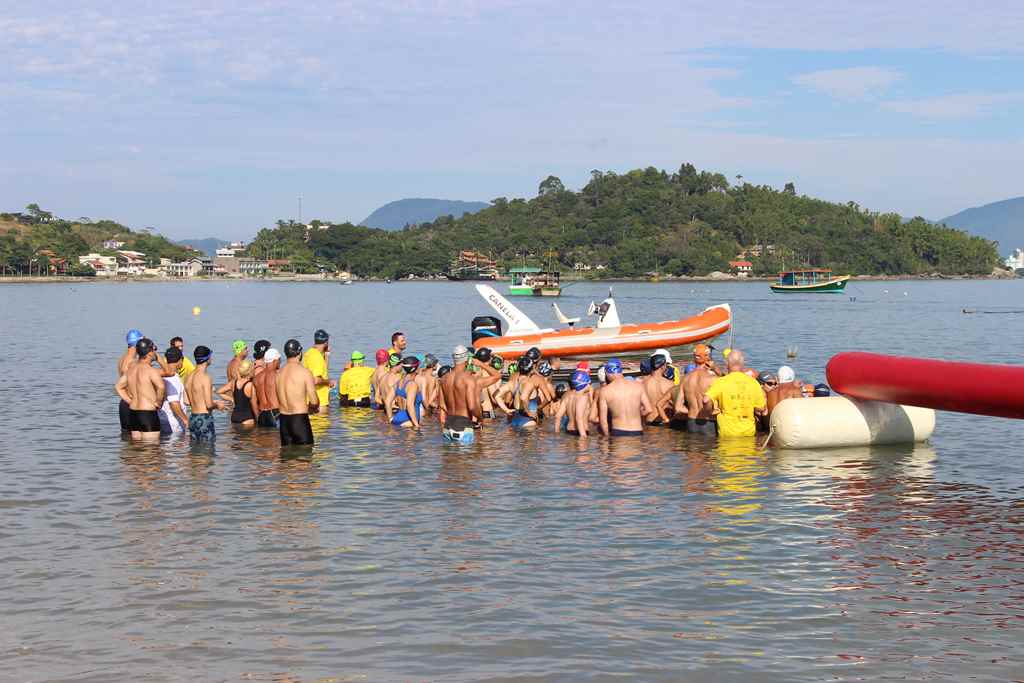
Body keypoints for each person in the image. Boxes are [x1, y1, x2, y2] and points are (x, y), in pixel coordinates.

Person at [438, 345, 501, 443]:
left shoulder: (443, 379)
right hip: (464, 426)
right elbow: (472, 407)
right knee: (468, 457)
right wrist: (480, 419)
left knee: (450, 457)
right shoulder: (469, 380)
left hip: (448, 426)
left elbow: (442, 405)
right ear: (467, 359)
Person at [704, 349, 767, 438]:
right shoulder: (753, 383)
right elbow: (760, 408)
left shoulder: (721, 382)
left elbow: (706, 400)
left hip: (727, 433)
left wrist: (710, 412)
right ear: (743, 364)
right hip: (748, 433)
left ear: (727, 364)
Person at [115, 338, 166, 442]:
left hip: (133, 412)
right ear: (149, 353)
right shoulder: (151, 370)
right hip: (148, 413)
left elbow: (118, 386)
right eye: (153, 350)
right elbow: (161, 386)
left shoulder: (131, 369)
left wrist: (129, 400)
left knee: (136, 450)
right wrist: (158, 402)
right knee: (152, 452)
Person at [276, 339, 318, 446]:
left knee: (287, 459)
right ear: (299, 353)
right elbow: (314, 401)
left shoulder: (279, 374)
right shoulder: (304, 372)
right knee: (305, 457)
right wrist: (312, 409)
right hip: (299, 420)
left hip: (284, 421)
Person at [184, 345, 228, 442]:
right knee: (207, 451)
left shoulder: (188, 377)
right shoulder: (206, 378)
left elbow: (186, 401)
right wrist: (217, 405)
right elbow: (208, 404)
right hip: (204, 419)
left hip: (192, 418)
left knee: (195, 451)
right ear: (207, 358)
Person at [597, 358, 651, 436]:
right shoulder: (638, 386)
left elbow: (603, 421)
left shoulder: (605, 391)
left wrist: (607, 438)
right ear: (621, 370)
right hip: (637, 431)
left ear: (607, 372)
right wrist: (635, 415)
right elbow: (648, 410)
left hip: (618, 431)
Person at [678, 343, 721, 435]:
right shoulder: (712, 378)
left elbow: (678, 408)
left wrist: (693, 412)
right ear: (707, 357)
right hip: (708, 422)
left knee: (694, 447)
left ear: (694, 358)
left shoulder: (685, 378)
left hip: (691, 422)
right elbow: (726, 382)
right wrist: (716, 369)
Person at [158, 347, 190, 435]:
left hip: (162, 418)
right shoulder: (173, 378)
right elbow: (174, 403)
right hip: (173, 423)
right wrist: (185, 419)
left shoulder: (162, 375)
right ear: (180, 360)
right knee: (176, 447)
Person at [117, 329, 144, 433]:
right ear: (137, 342)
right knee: (137, 441)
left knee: (128, 441)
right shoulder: (131, 361)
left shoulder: (122, 358)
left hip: (124, 403)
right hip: (131, 402)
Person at [302, 329, 334, 413]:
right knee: (321, 425)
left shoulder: (308, 353)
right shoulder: (317, 357)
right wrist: (328, 382)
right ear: (326, 343)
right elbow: (316, 380)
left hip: (308, 400)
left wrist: (326, 355)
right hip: (319, 402)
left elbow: (323, 372)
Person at [389, 356, 424, 428]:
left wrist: (390, 418)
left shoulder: (398, 382)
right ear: (415, 369)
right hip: (408, 421)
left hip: (396, 418)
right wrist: (416, 425)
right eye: (418, 366)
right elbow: (409, 405)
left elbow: (387, 401)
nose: (420, 368)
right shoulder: (412, 384)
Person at [643, 354, 677, 425]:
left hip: (648, 421)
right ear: (662, 366)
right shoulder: (669, 384)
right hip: (663, 420)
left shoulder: (643, 383)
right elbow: (676, 405)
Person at [227, 359, 260, 426]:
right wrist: (258, 418)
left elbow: (220, 392)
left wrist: (231, 399)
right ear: (249, 371)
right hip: (247, 418)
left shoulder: (234, 383)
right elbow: (254, 405)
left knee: (237, 436)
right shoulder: (250, 385)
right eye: (253, 369)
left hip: (234, 417)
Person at [254, 348, 281, 427]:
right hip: (275, 413)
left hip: (262, 414)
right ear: (275, 360)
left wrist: (257, 417)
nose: (280, 362)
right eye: (279, 360)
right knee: (277, 438)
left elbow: (253, 400)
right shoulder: (277, 376)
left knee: (264, 438)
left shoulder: (256, 378)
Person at [564, 369, 595, 436]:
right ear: (584, 384)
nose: (590, 386)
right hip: (581, 431)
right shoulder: (583, 397)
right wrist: (583, 437)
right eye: (588, 384)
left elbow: (558, 416)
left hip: (569, 430)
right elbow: (579, 419)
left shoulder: (570, 396)